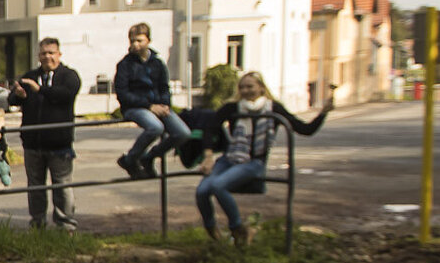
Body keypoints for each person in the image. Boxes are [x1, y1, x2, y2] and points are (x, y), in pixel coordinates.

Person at [198, 72, 331, 247]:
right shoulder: (233, 108)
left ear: (261, 88)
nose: (245, 91)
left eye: (250, 86)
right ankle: (213, 232)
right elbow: (211, 129)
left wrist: (323, 113)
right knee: (202, 191)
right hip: (230, 158)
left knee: (217, 185)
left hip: (254, 162)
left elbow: (304, 129)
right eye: (242, 87)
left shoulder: (273, 109)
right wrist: (208, 156)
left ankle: (239, 229)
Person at [9, 37, 81, 230]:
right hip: (33, 144)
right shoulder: (30, 76)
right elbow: (11, 99)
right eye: (43, 53)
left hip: (59, 144)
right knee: (35, 187)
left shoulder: (69, 76)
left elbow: (65, 94)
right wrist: (19, 95)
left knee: (62, 186)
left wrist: (39, 89)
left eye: (51, 53)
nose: (47, 57)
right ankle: (38, 224)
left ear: (59, 55)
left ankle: (65, 225)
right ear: (38, 56)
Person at [113, 23, 186, 180]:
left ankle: (149, 156)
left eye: (139, 40)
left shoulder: (157, 63)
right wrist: (149, 106)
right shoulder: (125, 65)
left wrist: (165, 105)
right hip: (135, 107)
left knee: (182, 133)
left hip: (158, 105)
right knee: (155, 127)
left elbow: (164, 86)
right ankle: (130, 159)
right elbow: (123, 94)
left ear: (148, 41)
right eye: (132, 41)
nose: (135, 45)